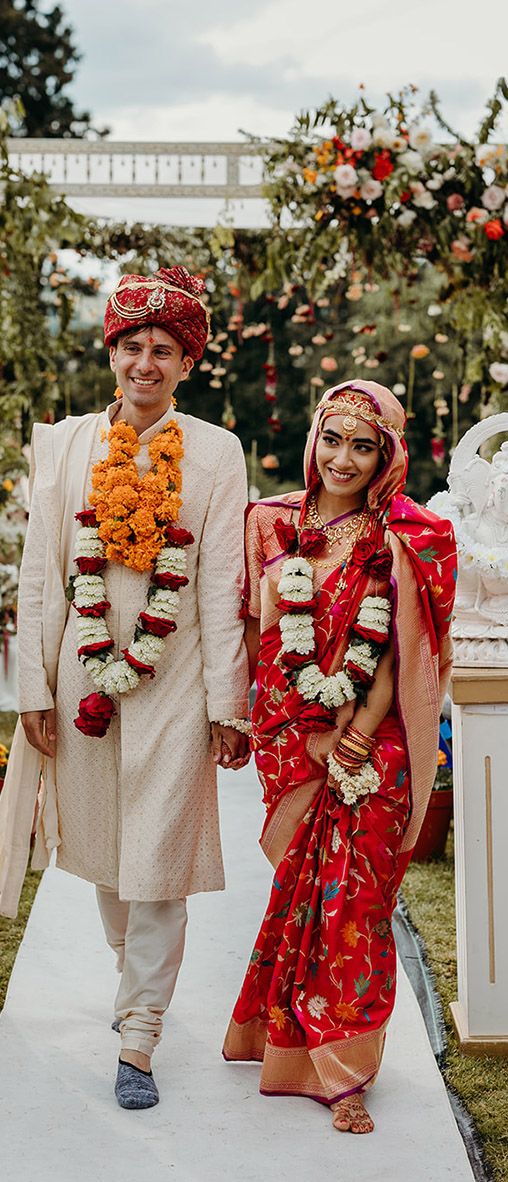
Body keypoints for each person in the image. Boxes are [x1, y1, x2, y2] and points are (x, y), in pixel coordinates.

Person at [0, 265, 250, 1109]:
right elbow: (41, 574)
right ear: (112, 352)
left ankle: (139, 1031)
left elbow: (221, 587)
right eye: (134, 346)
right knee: (109, 852)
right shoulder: (68, 443)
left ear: (188, 364)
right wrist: (34, 687)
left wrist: (228, 704)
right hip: (85, 675)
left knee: (160, 860)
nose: (147, 362)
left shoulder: (216, 451)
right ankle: (130, 972)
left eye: (165, 350)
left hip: (175, 678)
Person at [223, 379, 456, 1134]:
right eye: (333, 439)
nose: (344, 459)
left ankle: (347, 1070)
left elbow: (401, 650)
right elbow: (253, 634)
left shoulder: (409, 535)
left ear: (387, 456)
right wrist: (283, 725)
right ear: (313, 438)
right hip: (291, 738)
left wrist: (355, 733)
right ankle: (289, 1046)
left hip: (373, 745)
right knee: (305, 900)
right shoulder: (269, 524)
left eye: (365, 445)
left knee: (356, 909)